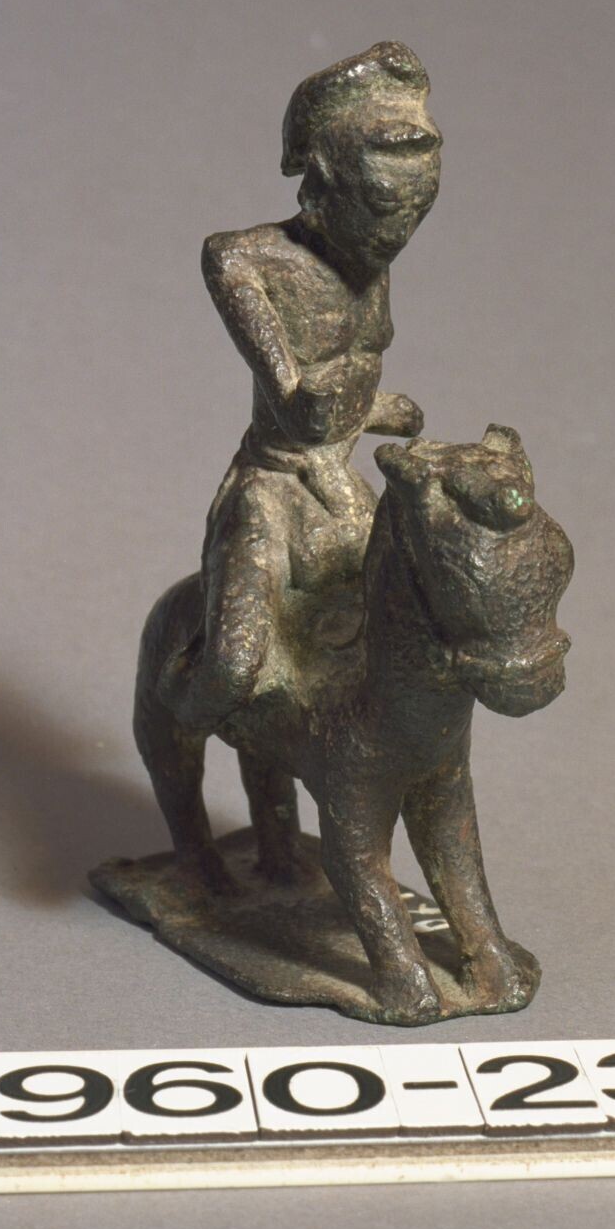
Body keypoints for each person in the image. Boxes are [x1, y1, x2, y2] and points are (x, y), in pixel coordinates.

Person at [160, 41, 443, 732]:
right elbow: (298, 408)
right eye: (381, 208)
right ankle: (172, 715)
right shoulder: (246, 261)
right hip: (272, 493)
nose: (397, 234)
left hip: (342, 485)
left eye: (416, 212)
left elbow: (339, 402)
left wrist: (376, 410)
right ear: (321, 182)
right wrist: (332, 403)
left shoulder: (370, 265)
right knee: (234, 665)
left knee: (425, 627)